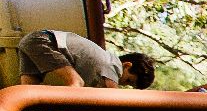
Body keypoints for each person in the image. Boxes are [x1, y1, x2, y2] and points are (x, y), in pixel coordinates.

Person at [18, 29, 155, 89]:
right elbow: (116, 101)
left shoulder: (104, 62)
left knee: (28, 91)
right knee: (76, 82)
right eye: (128, 80)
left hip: (29, 41)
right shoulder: (113, 65)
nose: (123, 83)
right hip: (44, 40)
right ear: (127, 65)